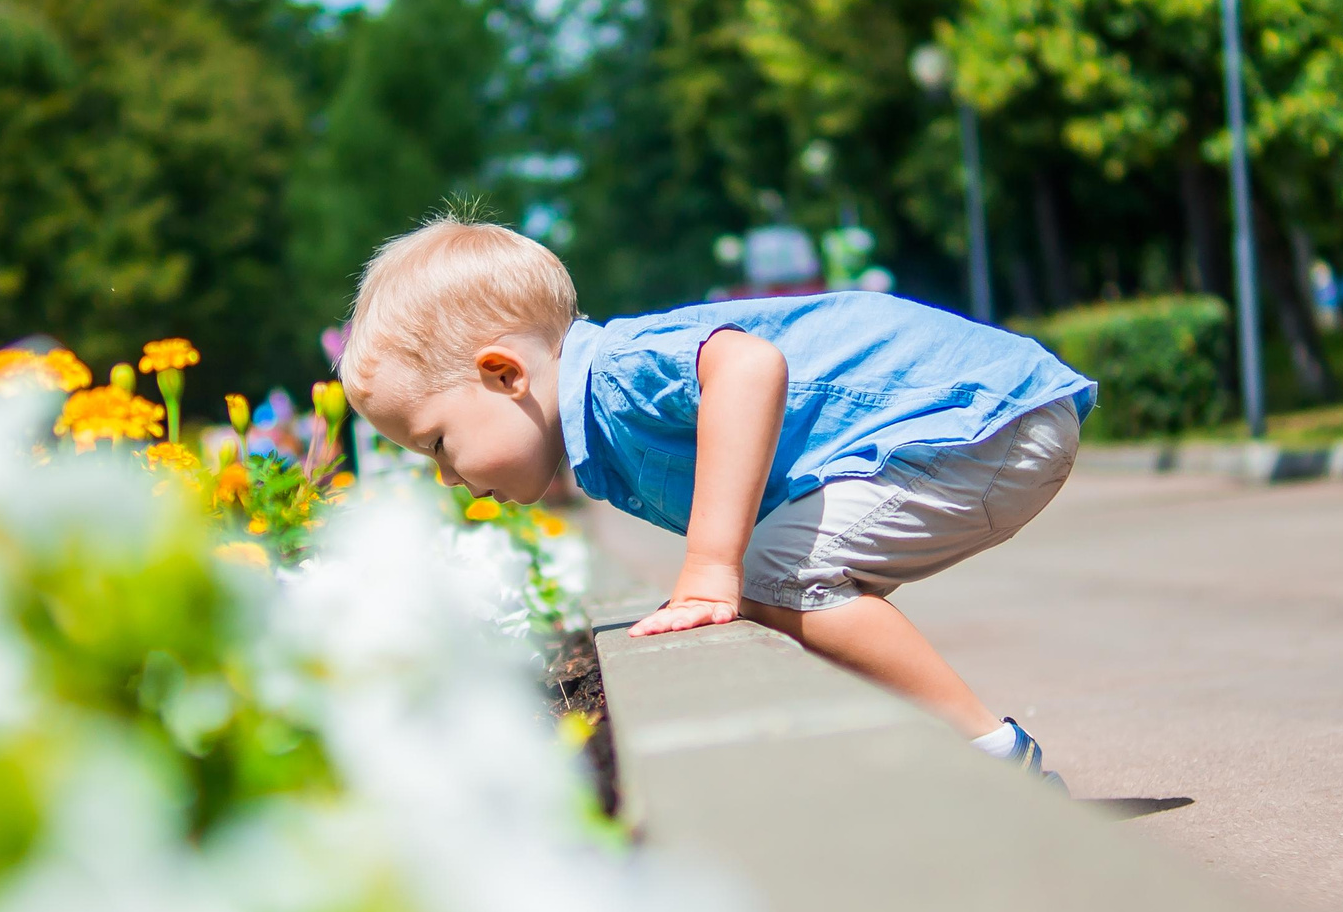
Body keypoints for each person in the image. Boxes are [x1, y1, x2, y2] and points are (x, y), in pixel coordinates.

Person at [339, 215, 1096, 783]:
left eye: (437, 442)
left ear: (505, 375)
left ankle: (993, 754)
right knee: (786, 585)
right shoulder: (602, 423)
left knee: (776, 576)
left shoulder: (617, 375)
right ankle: (929, 751)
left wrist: (708, 566)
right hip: (979, 424)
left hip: (979, 422)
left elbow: (749, 367)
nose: (443, 474)